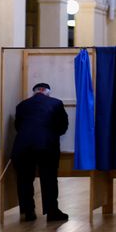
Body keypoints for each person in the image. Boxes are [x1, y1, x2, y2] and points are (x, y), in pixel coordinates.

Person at [11, 83, 69, 222]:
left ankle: (28, 211)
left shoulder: (22, 105)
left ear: (34, 92)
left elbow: (18, 126)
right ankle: (52, 212)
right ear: (48, 93)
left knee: (24, 179)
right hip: (47, 146)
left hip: (22, 146)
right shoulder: (56, 103)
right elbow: (63, 126)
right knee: (48, 178)